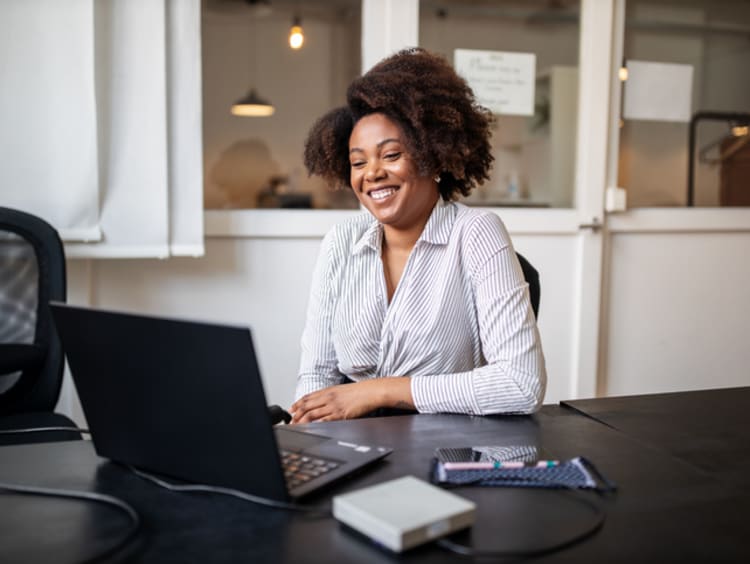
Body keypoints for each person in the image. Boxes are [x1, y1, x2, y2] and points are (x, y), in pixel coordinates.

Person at [289, 48, 546, 424]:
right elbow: (317, 374)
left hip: (445, 448)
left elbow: (521, 384)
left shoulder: (476, 233)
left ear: (433, 156)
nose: (372, 173)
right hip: (351, 447)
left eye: (391, 155)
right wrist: (310, 431)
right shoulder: (341, 242)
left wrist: (379, 390)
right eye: (358, 162)